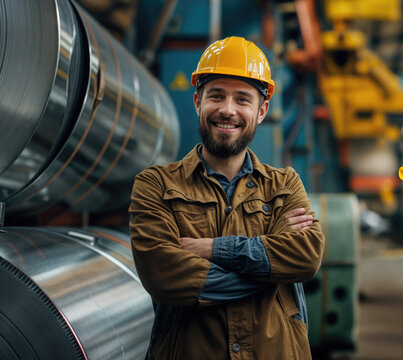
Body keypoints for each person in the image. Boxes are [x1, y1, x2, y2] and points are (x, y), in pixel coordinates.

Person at [129, 36, 325, 359]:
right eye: (216, 96)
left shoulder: (284, 185)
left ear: (261, 111)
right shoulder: (156, 185)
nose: (227, 110)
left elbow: (306, 255)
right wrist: (270, 275)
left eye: (242, 100)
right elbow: (162, 273)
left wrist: (212, 249)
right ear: (197, 102)